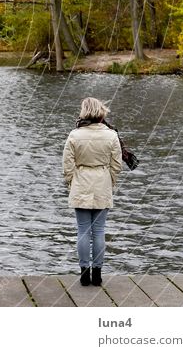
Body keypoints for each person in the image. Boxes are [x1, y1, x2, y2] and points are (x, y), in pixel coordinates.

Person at [62, 97, 123, 286]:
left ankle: (84, 273)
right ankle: (97, 274)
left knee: (83, 230)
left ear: (84, 112)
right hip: (102, 182)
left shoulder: (74, 135)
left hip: (81, 182)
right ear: (101, 111)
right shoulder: (112, 135)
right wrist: (109, 183)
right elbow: (116, 165)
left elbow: (67, 166)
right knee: (99, 231)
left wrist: (72, 183)